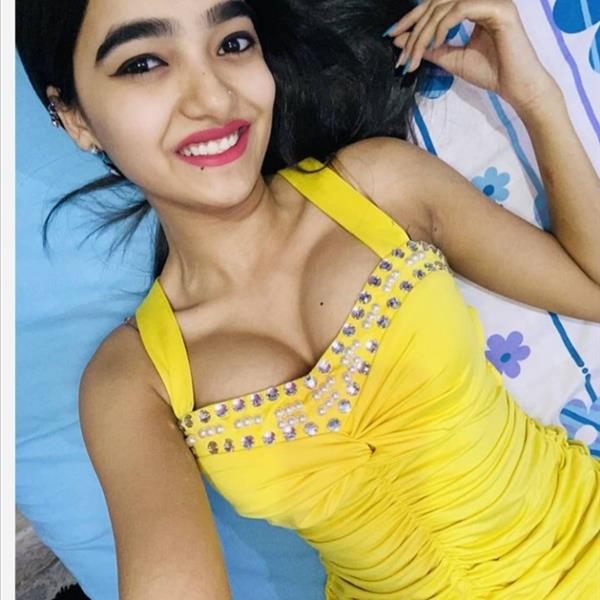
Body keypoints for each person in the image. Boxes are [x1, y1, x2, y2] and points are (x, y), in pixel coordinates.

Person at [16, 0, 600, 597]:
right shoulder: (132, 380)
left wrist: (536, 99)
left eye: (232, 44)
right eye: (143, 63)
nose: (214, 97)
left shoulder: (378, 186)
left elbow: (593, 287)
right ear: (74, 117)